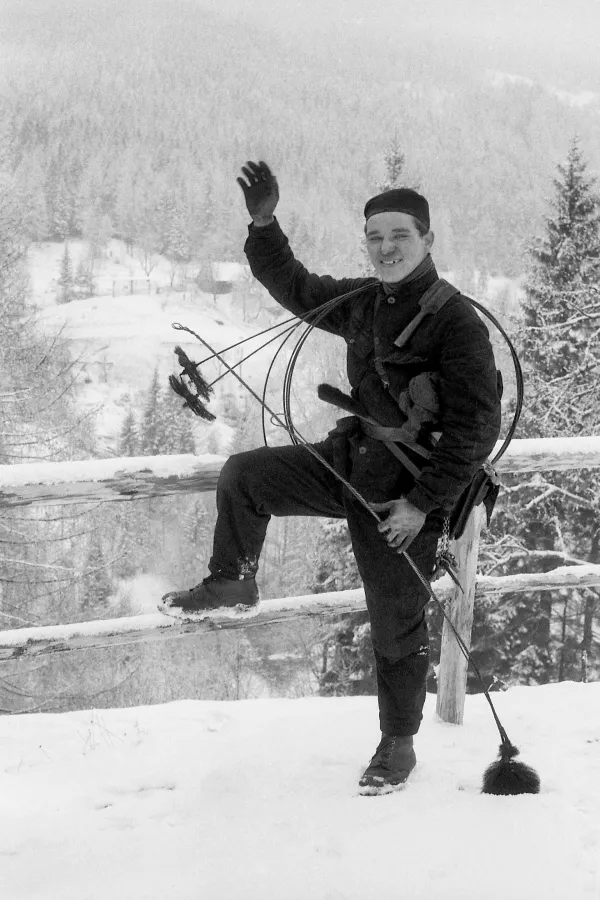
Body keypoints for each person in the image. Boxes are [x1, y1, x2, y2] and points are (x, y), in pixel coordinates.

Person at [161, 160, 502, 795]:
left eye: (400, 235)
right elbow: (294, 285)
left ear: (427, 241)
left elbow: (477, 429)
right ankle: (233, 582)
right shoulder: (365, 302)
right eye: (375, 237)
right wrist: (264, 224)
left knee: (395, 618)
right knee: (247, 475)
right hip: (350, 466)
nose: (386, 247)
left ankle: (397, 742)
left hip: (403, 495)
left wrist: (422, 505)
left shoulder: (456, 322)